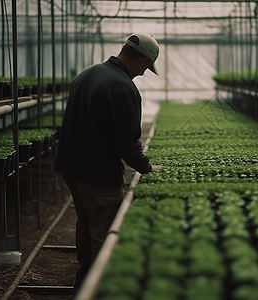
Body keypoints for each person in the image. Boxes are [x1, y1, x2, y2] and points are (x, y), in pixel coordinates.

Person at [54, 33, 162, 294]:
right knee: (103, 234)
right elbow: (129, 145)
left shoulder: (87, 74)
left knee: (86, 223)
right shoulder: (124, 88)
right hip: (97, 174)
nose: (145, 73)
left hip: (71, 169)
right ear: (143, 60)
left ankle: (84, 281)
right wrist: (147, 167)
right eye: (147, 67)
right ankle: (99, 288)